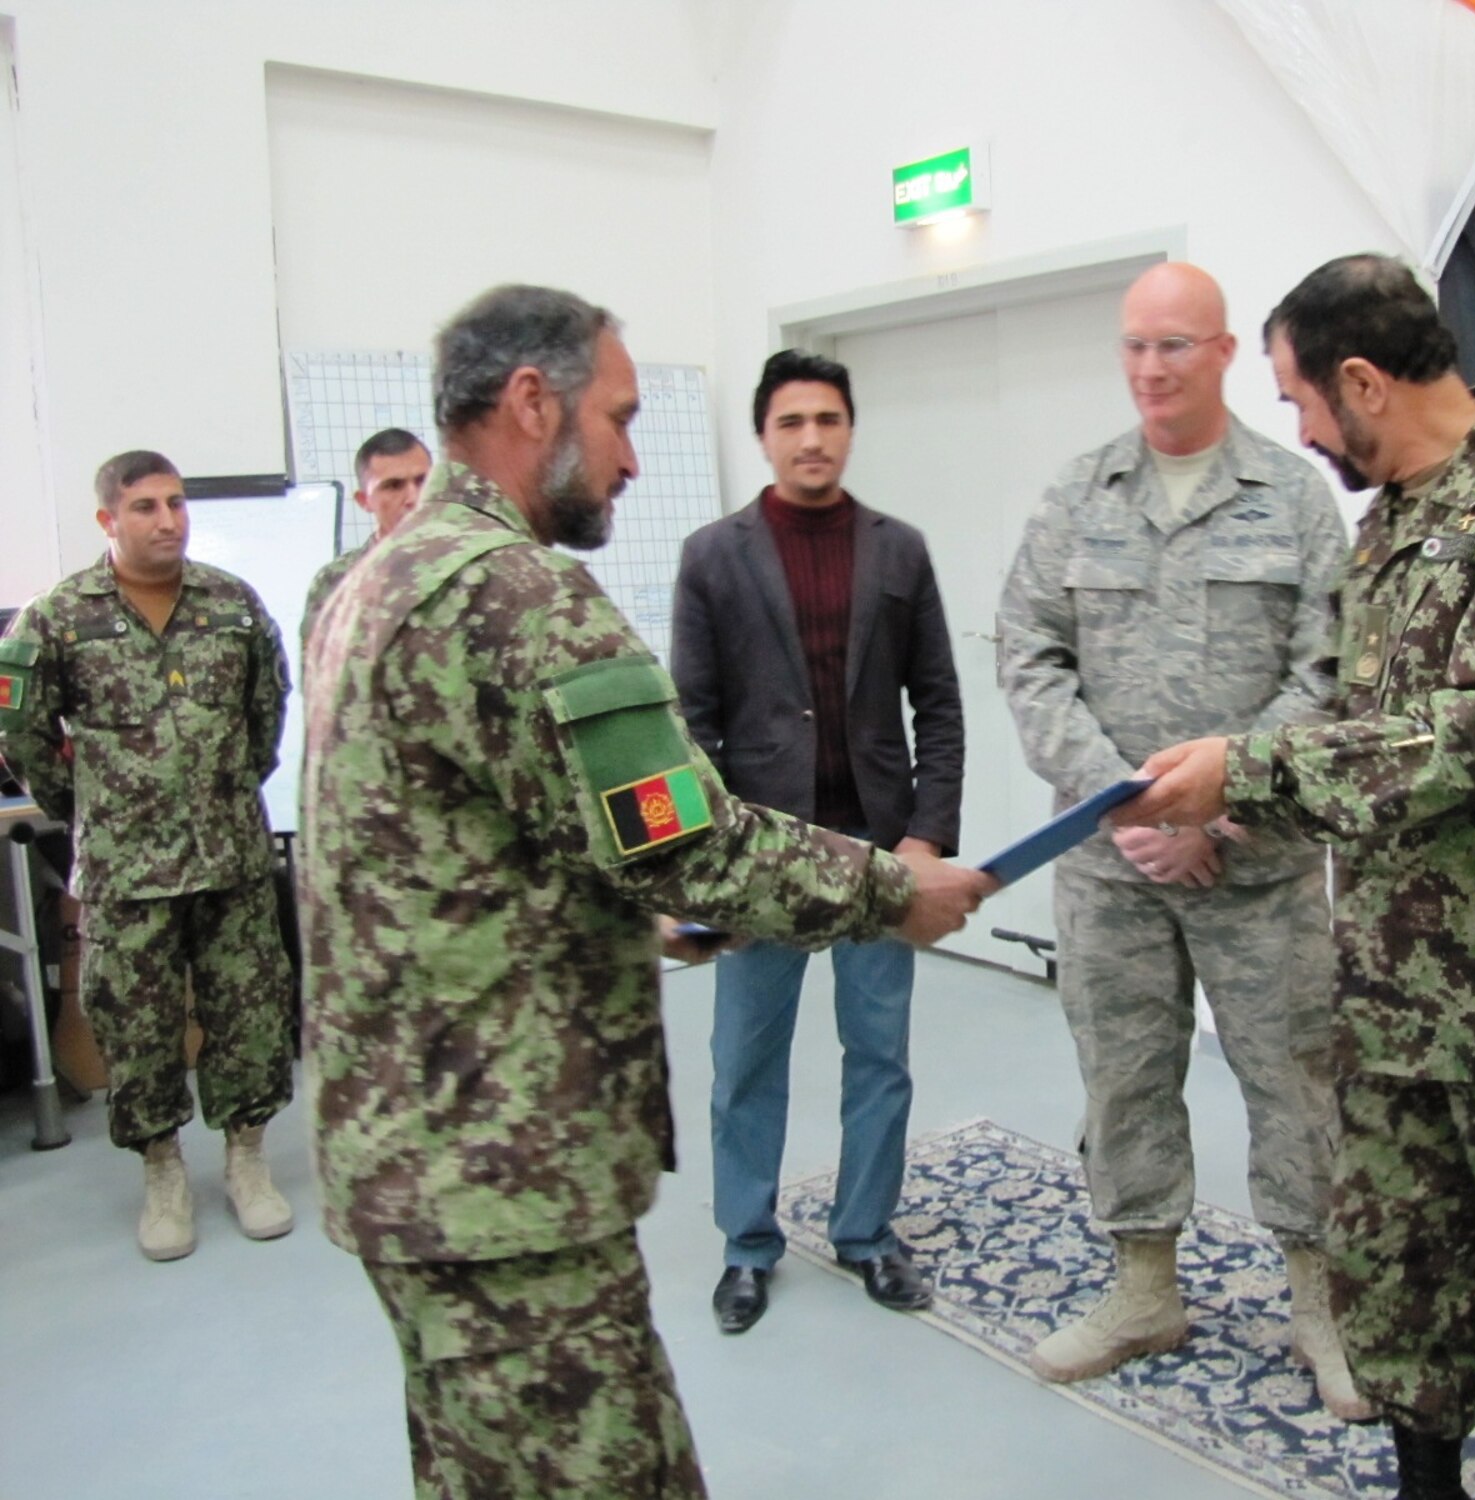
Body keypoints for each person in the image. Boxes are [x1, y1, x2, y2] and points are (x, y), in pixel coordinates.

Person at [300, 284, 990, 1500]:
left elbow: (480, 840)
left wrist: (636, 908)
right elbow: (687, 838)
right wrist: (891, 892)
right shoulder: (513, 596)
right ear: (530, 403)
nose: (630, 455)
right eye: (618, 418)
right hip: (503, 1180)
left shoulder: (372, 578)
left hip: (404, 1154)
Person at [1118, 254, 1475, 1500]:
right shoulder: (1389, 531)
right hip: (1396, 1008)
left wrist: (1248, 773)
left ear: (1364, 382)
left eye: (1300, 402)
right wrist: (1222, 813)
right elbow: (1352, 743)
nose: (1303, 430)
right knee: (1400, 1288)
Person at [997, 262, 1365, 1414]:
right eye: (1133, 346)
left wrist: (1220, 805)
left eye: (1173, 346)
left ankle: (1320, 1303)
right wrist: (1125, 803)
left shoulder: (1295, 500)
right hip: (1110, 871)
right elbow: (1028, 653)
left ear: (1220, 355)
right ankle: (1143, 1287)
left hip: (1255, 868)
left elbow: (1330, 674)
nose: (1149, 369)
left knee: (1296, 1084)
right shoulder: (1075, 495)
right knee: (1123, 1078)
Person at [672, 349, 965, 1335]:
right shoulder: (712, 556)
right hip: (760, 858)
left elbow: (939, 705)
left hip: (879, 850)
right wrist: (707, 867)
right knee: (745, 1059)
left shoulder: (899, 550)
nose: (811, 438)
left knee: (878, 1052)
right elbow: (693, 726)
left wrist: (927, 835)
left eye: (828, 419)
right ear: (763, 435)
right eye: (791, 421)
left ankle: (866, 1233)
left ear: (849, 429)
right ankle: (747, 1245)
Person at [0, 450, 295, 1261]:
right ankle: (162, 1171)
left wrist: (226, 792)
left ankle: (247, 1158)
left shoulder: (233, 606)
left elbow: (265, 717)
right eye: (145, 507)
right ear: (108, 520)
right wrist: (91, 812)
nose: (168, 520)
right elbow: (21, 733)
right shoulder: (57, 618)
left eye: (175, 503)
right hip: (127, 871)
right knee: (137, 1026)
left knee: (250, 1013)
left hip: (231, 855)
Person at [300, 427, 432, 648]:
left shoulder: (472, 566)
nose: (413, 497)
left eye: (422, 481)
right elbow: (318, 675)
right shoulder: (336, 582)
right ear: (364, 501)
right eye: (393, 486)